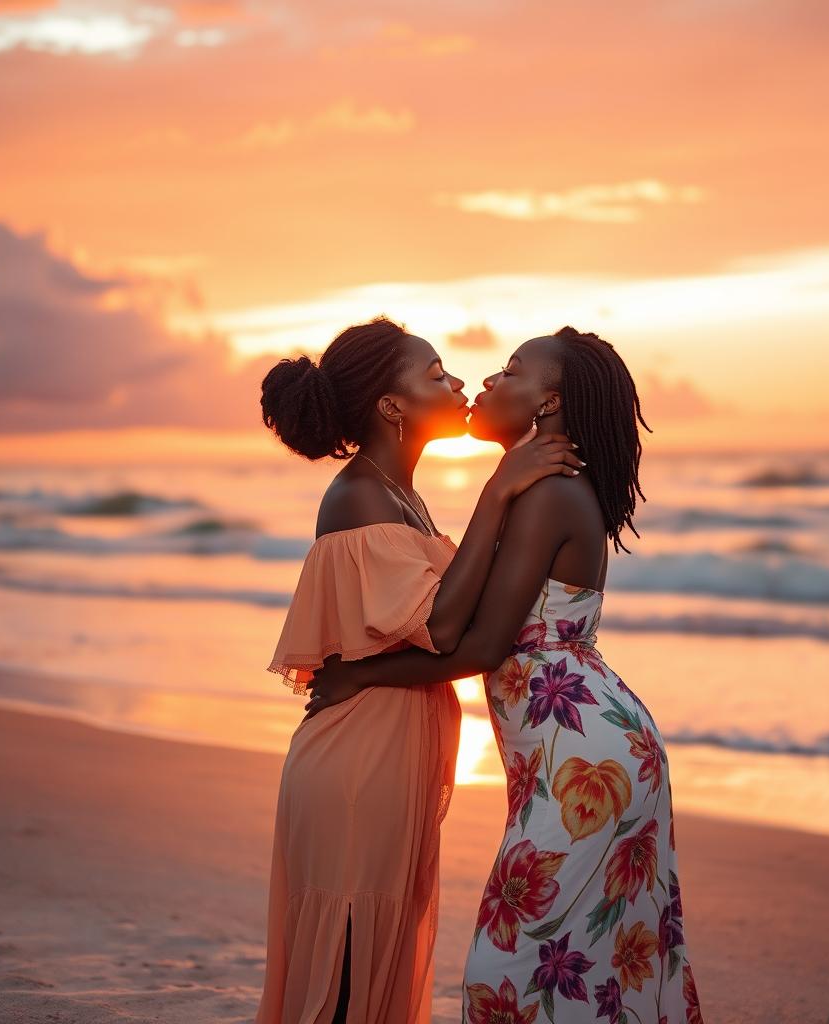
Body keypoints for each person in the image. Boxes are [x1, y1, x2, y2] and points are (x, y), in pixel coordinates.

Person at [306, 327, 704, 1023]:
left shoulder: (546, 492)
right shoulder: (536, 487)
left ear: (548, 402)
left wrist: (361, 676)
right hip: (584, 750)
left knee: (508, 970)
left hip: (584, 763)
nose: (486, 381)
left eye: (510, 371)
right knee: (594, 972)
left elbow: (483, 644)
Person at [253, 316, 584, 1024]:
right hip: (356, 765)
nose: (459, 381)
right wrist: (498, 492)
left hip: (384, 755)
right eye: (435, 375)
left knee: (374, 953)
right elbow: (439, 629)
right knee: (346, 968)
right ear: (391, 406)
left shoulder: (401, 495)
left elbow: (454, 618)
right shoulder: (360, 498)